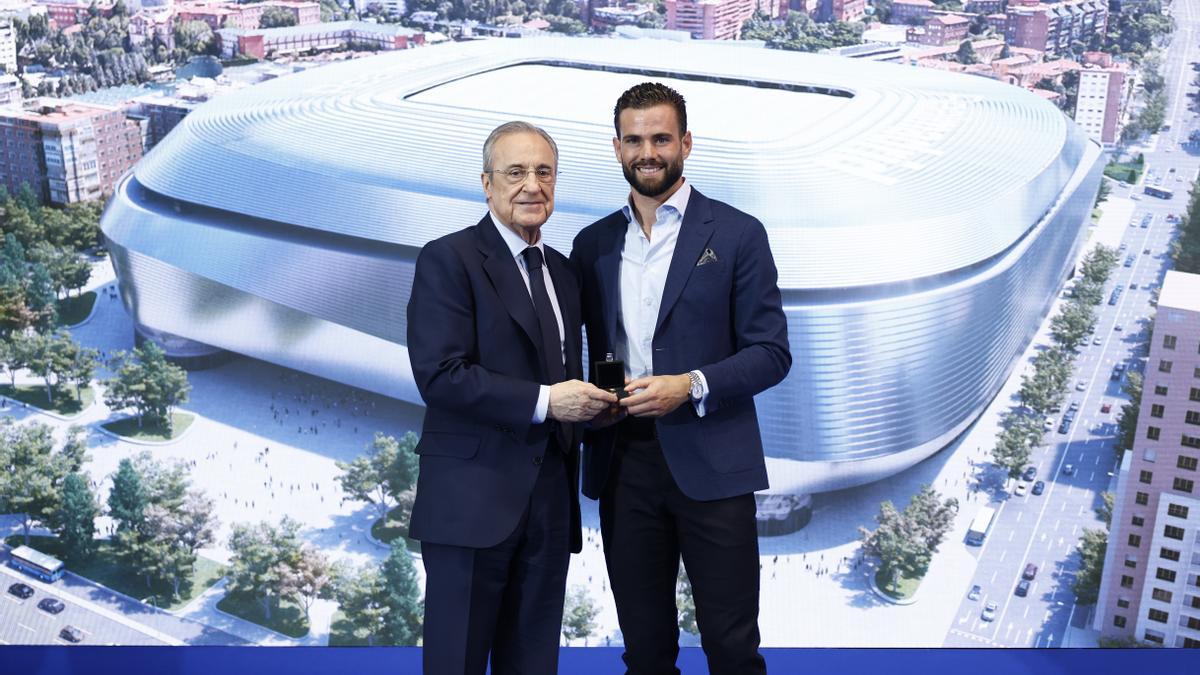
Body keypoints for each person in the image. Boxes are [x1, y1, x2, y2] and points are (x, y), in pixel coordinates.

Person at [570, 83, 792, 674]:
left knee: (731, 644)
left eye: (661, 138)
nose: (649, 151)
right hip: (624, 464)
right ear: (616, 147)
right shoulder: (590, 244)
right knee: (644, 649)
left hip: (713, 461)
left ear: (686, 144)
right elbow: (592, 349)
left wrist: (688, 384)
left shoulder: (740, 234)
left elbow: (772, 353)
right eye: (635, 139)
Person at [407, 121, 617, 674]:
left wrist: (605, 405)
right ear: (486, 183)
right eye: (515, 172)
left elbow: (569, 375)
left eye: (543, 172)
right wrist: (550, 402)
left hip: (550, 505)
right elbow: (441, 376)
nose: (531, 185)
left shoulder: (566, 274)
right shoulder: (447, 259)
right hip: (470, 506)